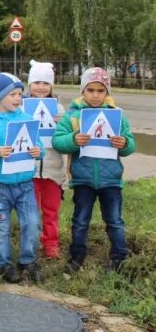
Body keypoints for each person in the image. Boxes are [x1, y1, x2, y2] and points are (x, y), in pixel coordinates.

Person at [52, 67, 136, 273]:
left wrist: (123, 143)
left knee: (115, 221)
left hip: (111, 181)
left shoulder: (117, 116)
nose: (96, 95)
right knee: (80, 221)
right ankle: (77, 255)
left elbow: (130, 145)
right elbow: (58, 141)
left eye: (101, 90)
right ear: (83, 90)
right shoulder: (72, 116)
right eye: (90, 90)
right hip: (83, 179)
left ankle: (119, 257)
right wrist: (73, 139)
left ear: (107, 92)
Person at [0, 73, 44, 284]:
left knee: (32, 223)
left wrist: (37, 151)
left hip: (25, 184)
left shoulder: (27, 119)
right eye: (12, 94)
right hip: (0, 185)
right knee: (1, 225)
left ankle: (28, 260)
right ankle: (3, 262)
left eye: (19, 94)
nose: (17, 98)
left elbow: (40, 147)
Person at [26, 60, 66, 259]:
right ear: (29, 84)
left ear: (52, 86)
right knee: (31, 212)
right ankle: (31, 243)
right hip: (30, 170)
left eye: (46, 83)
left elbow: (65, 140)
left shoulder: (59, 109)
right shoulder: (21, 107)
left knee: (51, 211)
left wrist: (62, 125)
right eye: (37, 82)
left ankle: (51, 243)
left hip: (53, 170)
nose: (41, 87)